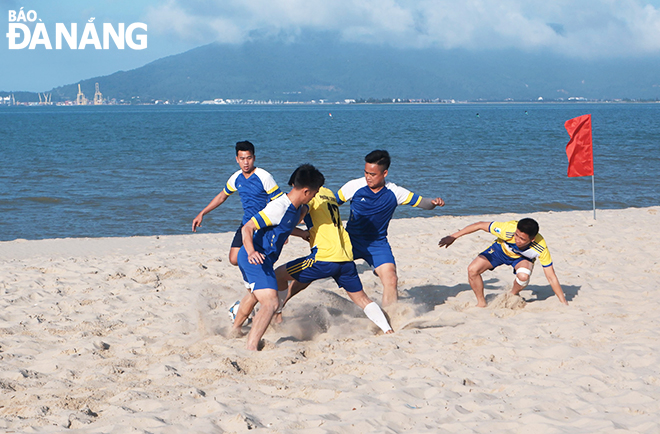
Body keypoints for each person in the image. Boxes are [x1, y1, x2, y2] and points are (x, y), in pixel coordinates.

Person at [274, 181, 393, 334]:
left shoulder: (309, 197)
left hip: (324, 258)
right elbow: (318, 214)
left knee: (279, 274)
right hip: (345, 257)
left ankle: (276, 315)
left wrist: (285, 230)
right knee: (362, 299)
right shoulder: (329, 193)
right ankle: (388, 329)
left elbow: (299, 214)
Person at [230, 164, 325, 351]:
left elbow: (286, 227)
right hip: (253, 257)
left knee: (253, 296)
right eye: (315, 192)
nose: (315, 196)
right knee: (271, 302)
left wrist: (303, 234)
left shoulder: (300, 208)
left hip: (264, 260)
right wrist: (251, 252)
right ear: (306, 191)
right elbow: (247, 228)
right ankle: (251, 347)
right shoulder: (279, 207)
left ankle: (235, 329)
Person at [336, 150, 445, 307]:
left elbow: (423, 203)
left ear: (385, 173)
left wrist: (433, 203)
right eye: (366, 172)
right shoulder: (353, 186)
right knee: (320, 267)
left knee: (391, 279)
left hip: (377, 245)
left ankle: (390, 317)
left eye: (373, 174)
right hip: (350, 241)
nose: (368, 177)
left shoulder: (395, 192)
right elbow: (331, 204)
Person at [438, 218, 569, 307]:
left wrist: (563, 303)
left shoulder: (540, 247)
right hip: (500, 250)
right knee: (472, 269)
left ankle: (512, 294)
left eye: (522, 238)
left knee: (524, 277)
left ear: (533, 239)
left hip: (521, 258)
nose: (517, 239)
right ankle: (481, 303)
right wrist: (454, 236)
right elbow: (479, 225)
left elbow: (551, 277)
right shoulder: (508, 229)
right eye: (517, 235)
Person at [192, 141, 283, 265]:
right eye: (242, 159)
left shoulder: (264, 177)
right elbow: (221, 197)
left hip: (264, 224)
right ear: (237, 159)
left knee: (261, 259)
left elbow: (280, 201)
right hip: (246, 223)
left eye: (249, 158)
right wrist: (202, 213)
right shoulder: (236, 177)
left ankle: (257, 281)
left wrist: (283, 228)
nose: (246, 162)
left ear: (254, 158)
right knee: (234, 259)